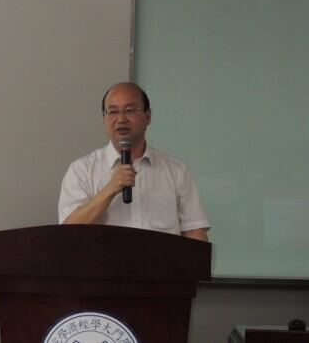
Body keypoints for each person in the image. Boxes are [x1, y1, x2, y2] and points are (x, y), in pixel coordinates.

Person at [58, 82, 209, 240]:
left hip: (160, 257)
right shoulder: (82, 170)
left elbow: (195, 232)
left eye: (130, 110)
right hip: (103, 257)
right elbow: (67, 232)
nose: (121, 119)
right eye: (113, 112)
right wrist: (110, 189)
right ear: (104, 119)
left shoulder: (176, 170)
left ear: (147, 116)